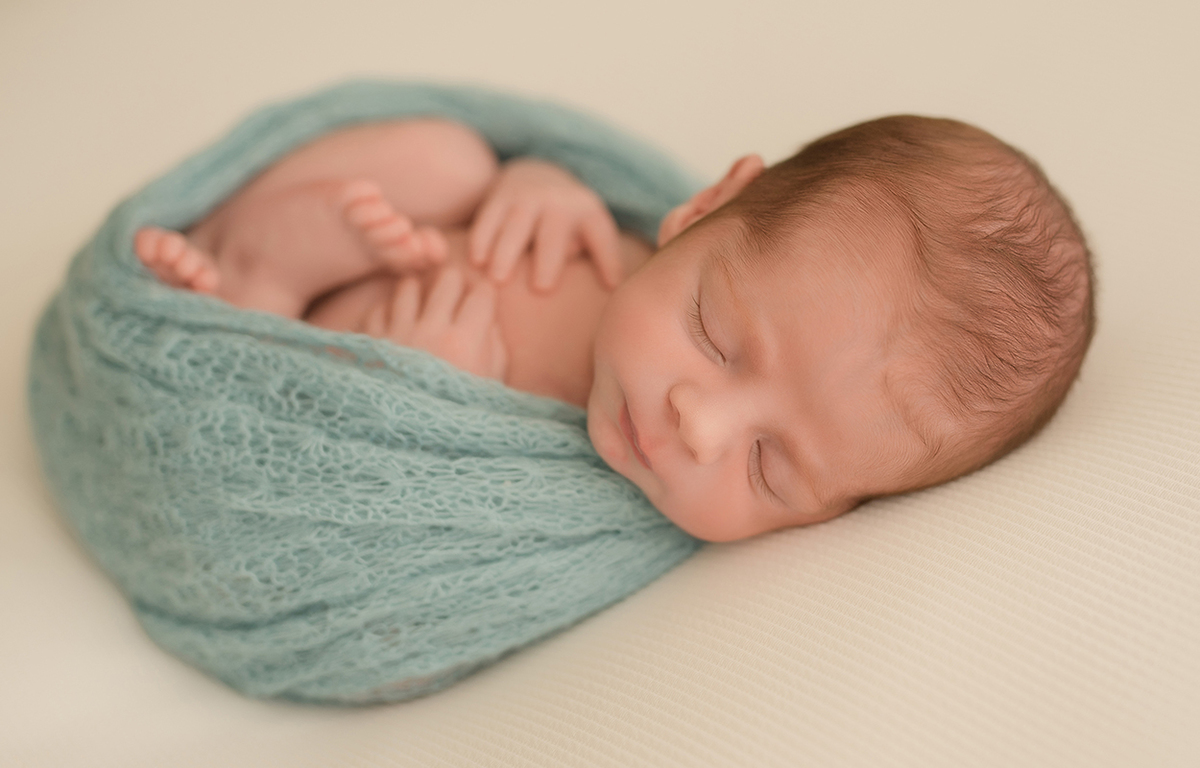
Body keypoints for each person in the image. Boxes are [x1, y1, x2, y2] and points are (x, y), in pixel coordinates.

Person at [133, 113, 1095, 542]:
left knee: (254, 372)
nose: (700, 429)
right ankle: (252, 244)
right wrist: (536, 186)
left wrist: (420, 398)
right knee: (443, 156)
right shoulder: (613, 238)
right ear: (704, 209)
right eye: (715, 337)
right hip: (393, 252)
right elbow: (534, 184)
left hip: (297, 368)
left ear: (833, 514)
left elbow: (365, 521)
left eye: (771, 469)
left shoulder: (573, 500)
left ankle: (248, 289)